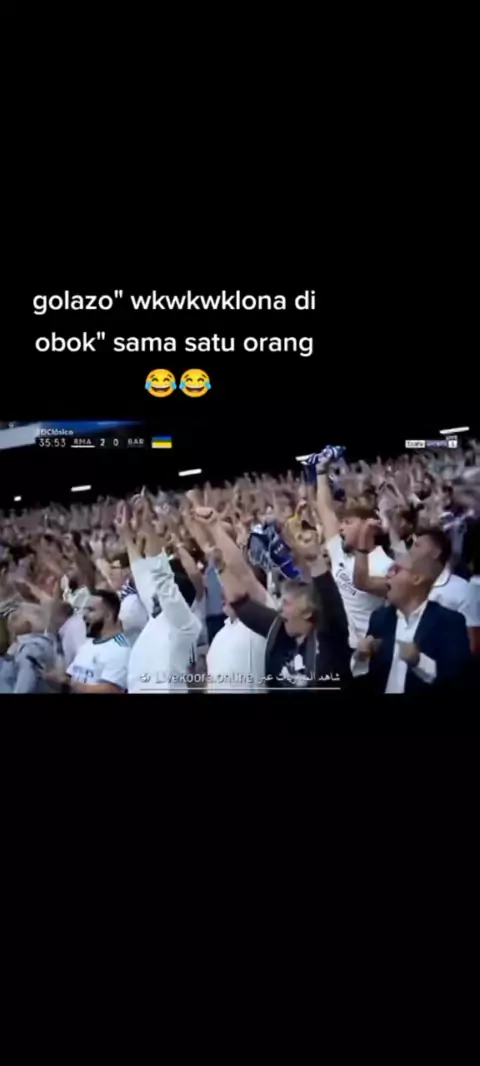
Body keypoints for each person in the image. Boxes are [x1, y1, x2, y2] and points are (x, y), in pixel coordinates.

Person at [217, 526, 351, 688]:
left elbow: (331, 603)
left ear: (307, 611)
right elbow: (240, 603)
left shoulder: (330, 639)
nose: (279, 608)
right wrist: (220, 566)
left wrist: (315, 561)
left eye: (287, 603)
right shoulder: (280, 631)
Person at [351, 554, 471, 693]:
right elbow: (364, 681)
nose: (387, 575)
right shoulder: (380, 618)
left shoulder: (449, 622)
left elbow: (457, 680)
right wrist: (361, 658)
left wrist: (419, 662)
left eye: (396, 570)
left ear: (416, 578)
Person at [193, 507, 277, 691]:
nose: (225, 592)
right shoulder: (220, 635)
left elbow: (242, 572)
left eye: (232, 584)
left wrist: (214, 526)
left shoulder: (263, 618)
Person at [124, 499, 202, 692]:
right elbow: (141, 572)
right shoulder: (156, 614)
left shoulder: (185, 624)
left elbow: (162, 578)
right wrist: (126, 534)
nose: (156, 592)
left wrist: (148, 523)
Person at [315, 457, 392, 649]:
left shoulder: (385, 565)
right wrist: (321, 473)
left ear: (368, 525)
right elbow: (325, 510)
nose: (340, 527)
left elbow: (365, 582)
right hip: (339, 646)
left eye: (348, 522)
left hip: (368, 651)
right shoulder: (340, 551)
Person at [43, 590, 130, 693]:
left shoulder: (120, 648)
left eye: (91, 610)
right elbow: (69, 680)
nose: (84, 616)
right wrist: (52, 677)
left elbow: (111, 690)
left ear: (108, 615)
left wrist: (69, 682)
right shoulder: (88, 644)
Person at [0, 604, 59, 693]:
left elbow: (26, 683)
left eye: (16, 618)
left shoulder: (30, 649)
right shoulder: (44, 644)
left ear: (27, 625)